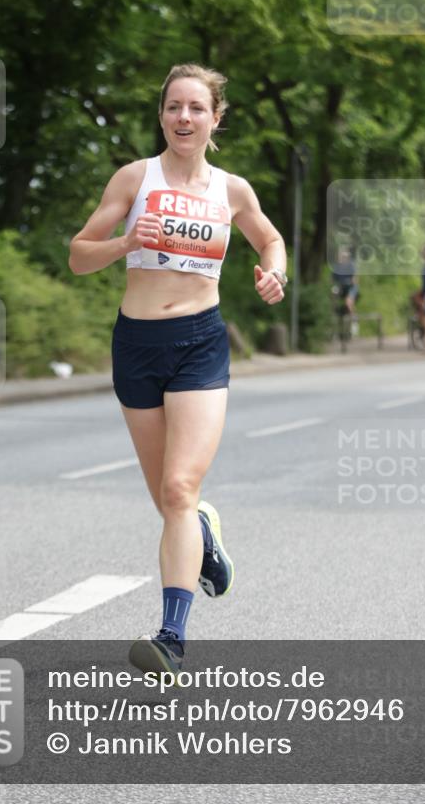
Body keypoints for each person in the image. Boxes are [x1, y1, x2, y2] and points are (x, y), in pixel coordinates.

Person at [68, 63, 288, 678]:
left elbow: (270, 240)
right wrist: (124, 241)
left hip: (199, 342)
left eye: (196, 108)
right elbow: (79, 255)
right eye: (173, 107)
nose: (183, 118)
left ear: (216, 118)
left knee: (177, 488)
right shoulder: (134, 178)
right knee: (168, 503)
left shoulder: (231, 190)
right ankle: (203, 535)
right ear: (161, 115)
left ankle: (171, 637)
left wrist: (276, 273)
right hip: (135, 343)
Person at [332, 246, 359, 334]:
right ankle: (334, 316)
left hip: (351, 287)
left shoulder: (351, 266)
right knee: (333, 296)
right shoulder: (337, 267)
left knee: (348, 302)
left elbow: (355, 279)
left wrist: (350, 284)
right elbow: (333, 280)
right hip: (341, 287)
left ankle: (354, 321)